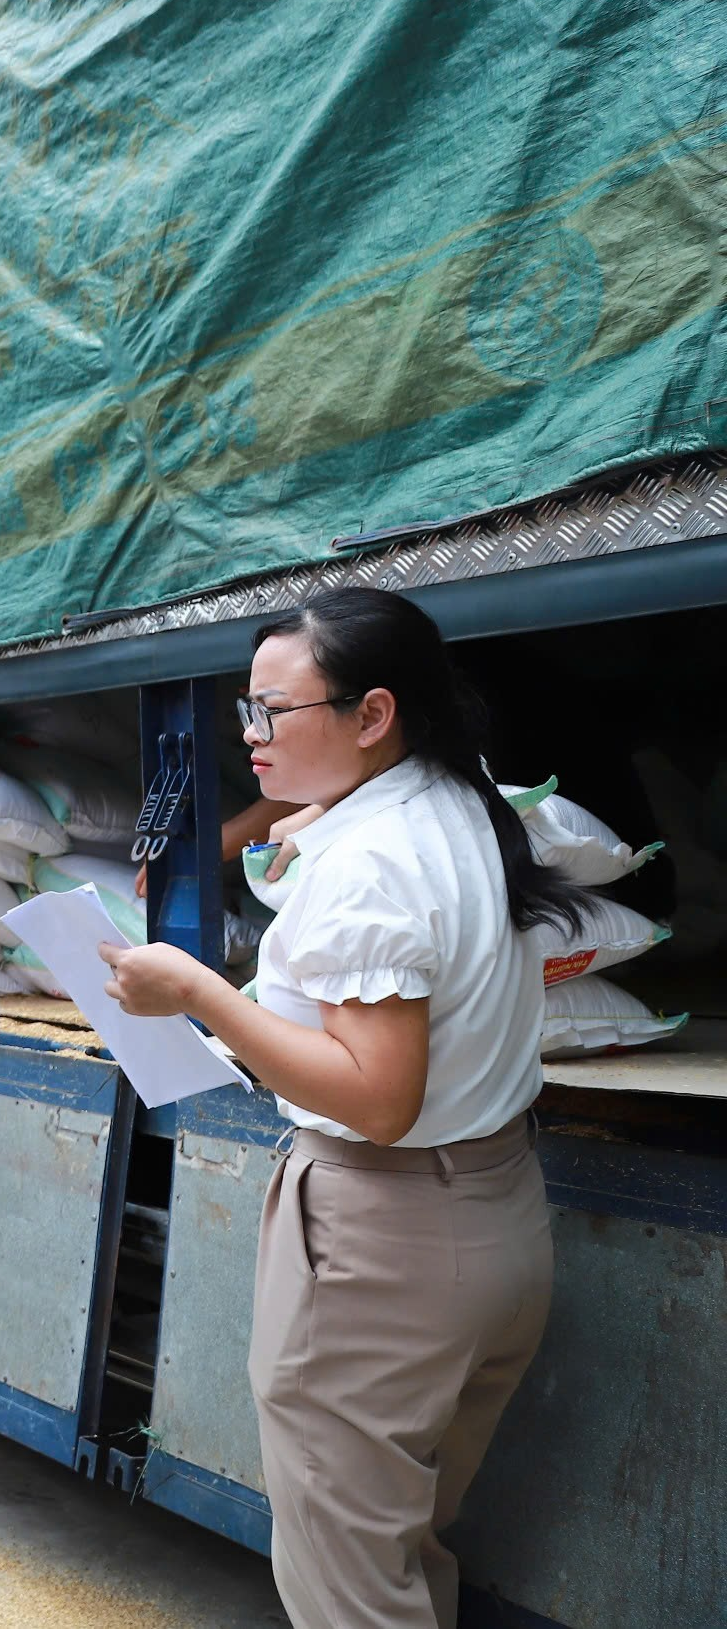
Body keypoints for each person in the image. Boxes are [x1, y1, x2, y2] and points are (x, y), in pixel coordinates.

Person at [100, 588, 569, 1629]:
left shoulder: (367, 869)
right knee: (397, 1551)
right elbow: (308, 810)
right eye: (244, 713)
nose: (251, 738)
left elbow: (377, 1096)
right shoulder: (449, 798)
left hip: (385, 1244)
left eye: (274, 713)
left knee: (353, 1590)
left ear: (373, 715)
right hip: (495, 1216)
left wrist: (198, 992)